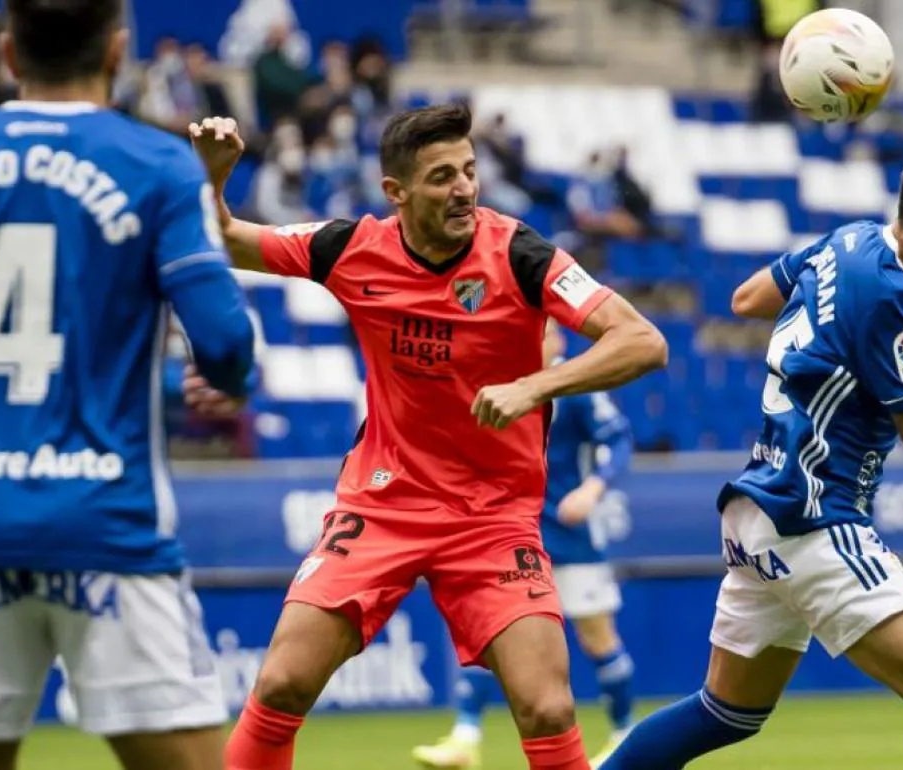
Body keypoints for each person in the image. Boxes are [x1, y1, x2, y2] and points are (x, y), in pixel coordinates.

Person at [186, 104, 668, 770]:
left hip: (494, 519)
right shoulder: (350, 248)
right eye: (442, 176)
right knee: (281, 683)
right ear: (397, 192)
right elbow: (228, 238)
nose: (465, 188)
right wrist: (210, 180)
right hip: (382, 505)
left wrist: (534, 387)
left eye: (469, 171)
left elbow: (643, 340)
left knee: (549, 707)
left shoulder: (521, 253)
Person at [594, 136, 903, 770]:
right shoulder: (894, 294)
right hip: (812, 515)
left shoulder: (850, 241)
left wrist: (824, 334)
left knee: (726, 712)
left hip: (757, 509)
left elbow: (748, 298)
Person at [0, 1, 258, 769]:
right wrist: (226, 381)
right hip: (108, 528)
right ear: (118, 52)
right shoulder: (157, 164)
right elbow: (224, 344)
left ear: (8, 53)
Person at [412, 319, 637, 769]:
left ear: (556, 339)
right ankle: (464, 738)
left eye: (541, 331)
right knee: (489, 632)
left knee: (597, 638)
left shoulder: (574, 385)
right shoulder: (498, 382)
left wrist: (593, 489)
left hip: (571, 538)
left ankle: (624, 735)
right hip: (509, 533)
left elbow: (619, 437)